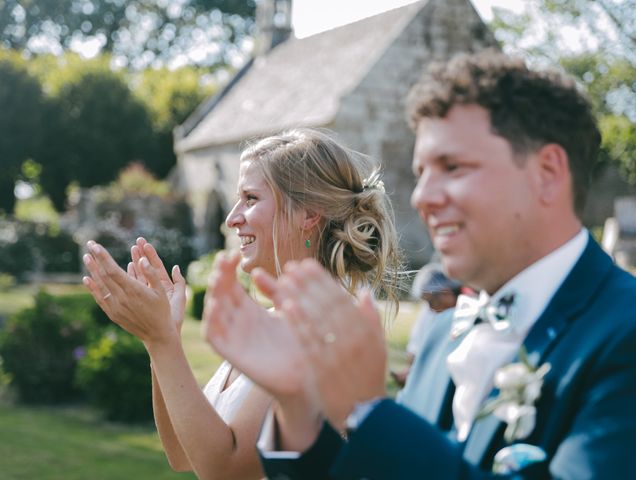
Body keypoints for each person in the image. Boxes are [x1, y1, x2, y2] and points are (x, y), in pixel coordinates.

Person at [202, 50, 636, 479]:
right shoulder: (440, 330)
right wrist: (296, 406)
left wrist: (370, 411)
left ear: (547, 172)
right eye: (422, 173)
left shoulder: (626, 332)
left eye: (453, 167)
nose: (422, 197)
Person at [81, 127, 401, 479]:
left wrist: (162, 342)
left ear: (309, 214)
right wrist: (159, 335)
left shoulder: (322, 324)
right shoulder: (276, 319)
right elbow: (183, 453)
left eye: (250, 198)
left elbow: (226, 471)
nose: (231, 218)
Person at [390, 263, 461, 388]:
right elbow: (413, 352)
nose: (430, 308)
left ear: (447, 295)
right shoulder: (430, 313)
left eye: (431, 302)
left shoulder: (466, 314)